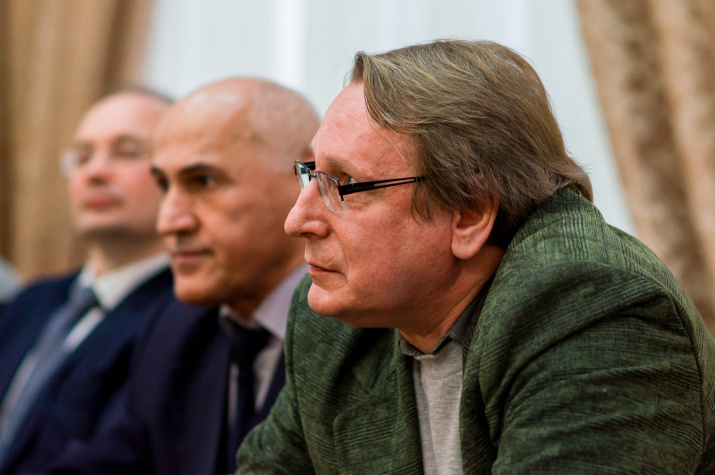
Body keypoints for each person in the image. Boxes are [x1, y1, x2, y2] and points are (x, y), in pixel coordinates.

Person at [237, 40, 715, 473]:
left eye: (343, 185)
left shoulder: (589, 306)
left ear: (469, 213)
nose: (297, 221)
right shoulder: (333, 322)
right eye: (312, 175)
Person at [50, 78, 318, 475]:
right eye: (164, 185)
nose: (169, 222)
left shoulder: (367, 328)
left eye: (204, 182)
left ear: (305, 177)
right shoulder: (174, 328)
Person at [0, 89, 175, 474]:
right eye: (82, 157)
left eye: (127, 152)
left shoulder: (186, 316)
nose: (95, 172)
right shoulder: (30, 301)